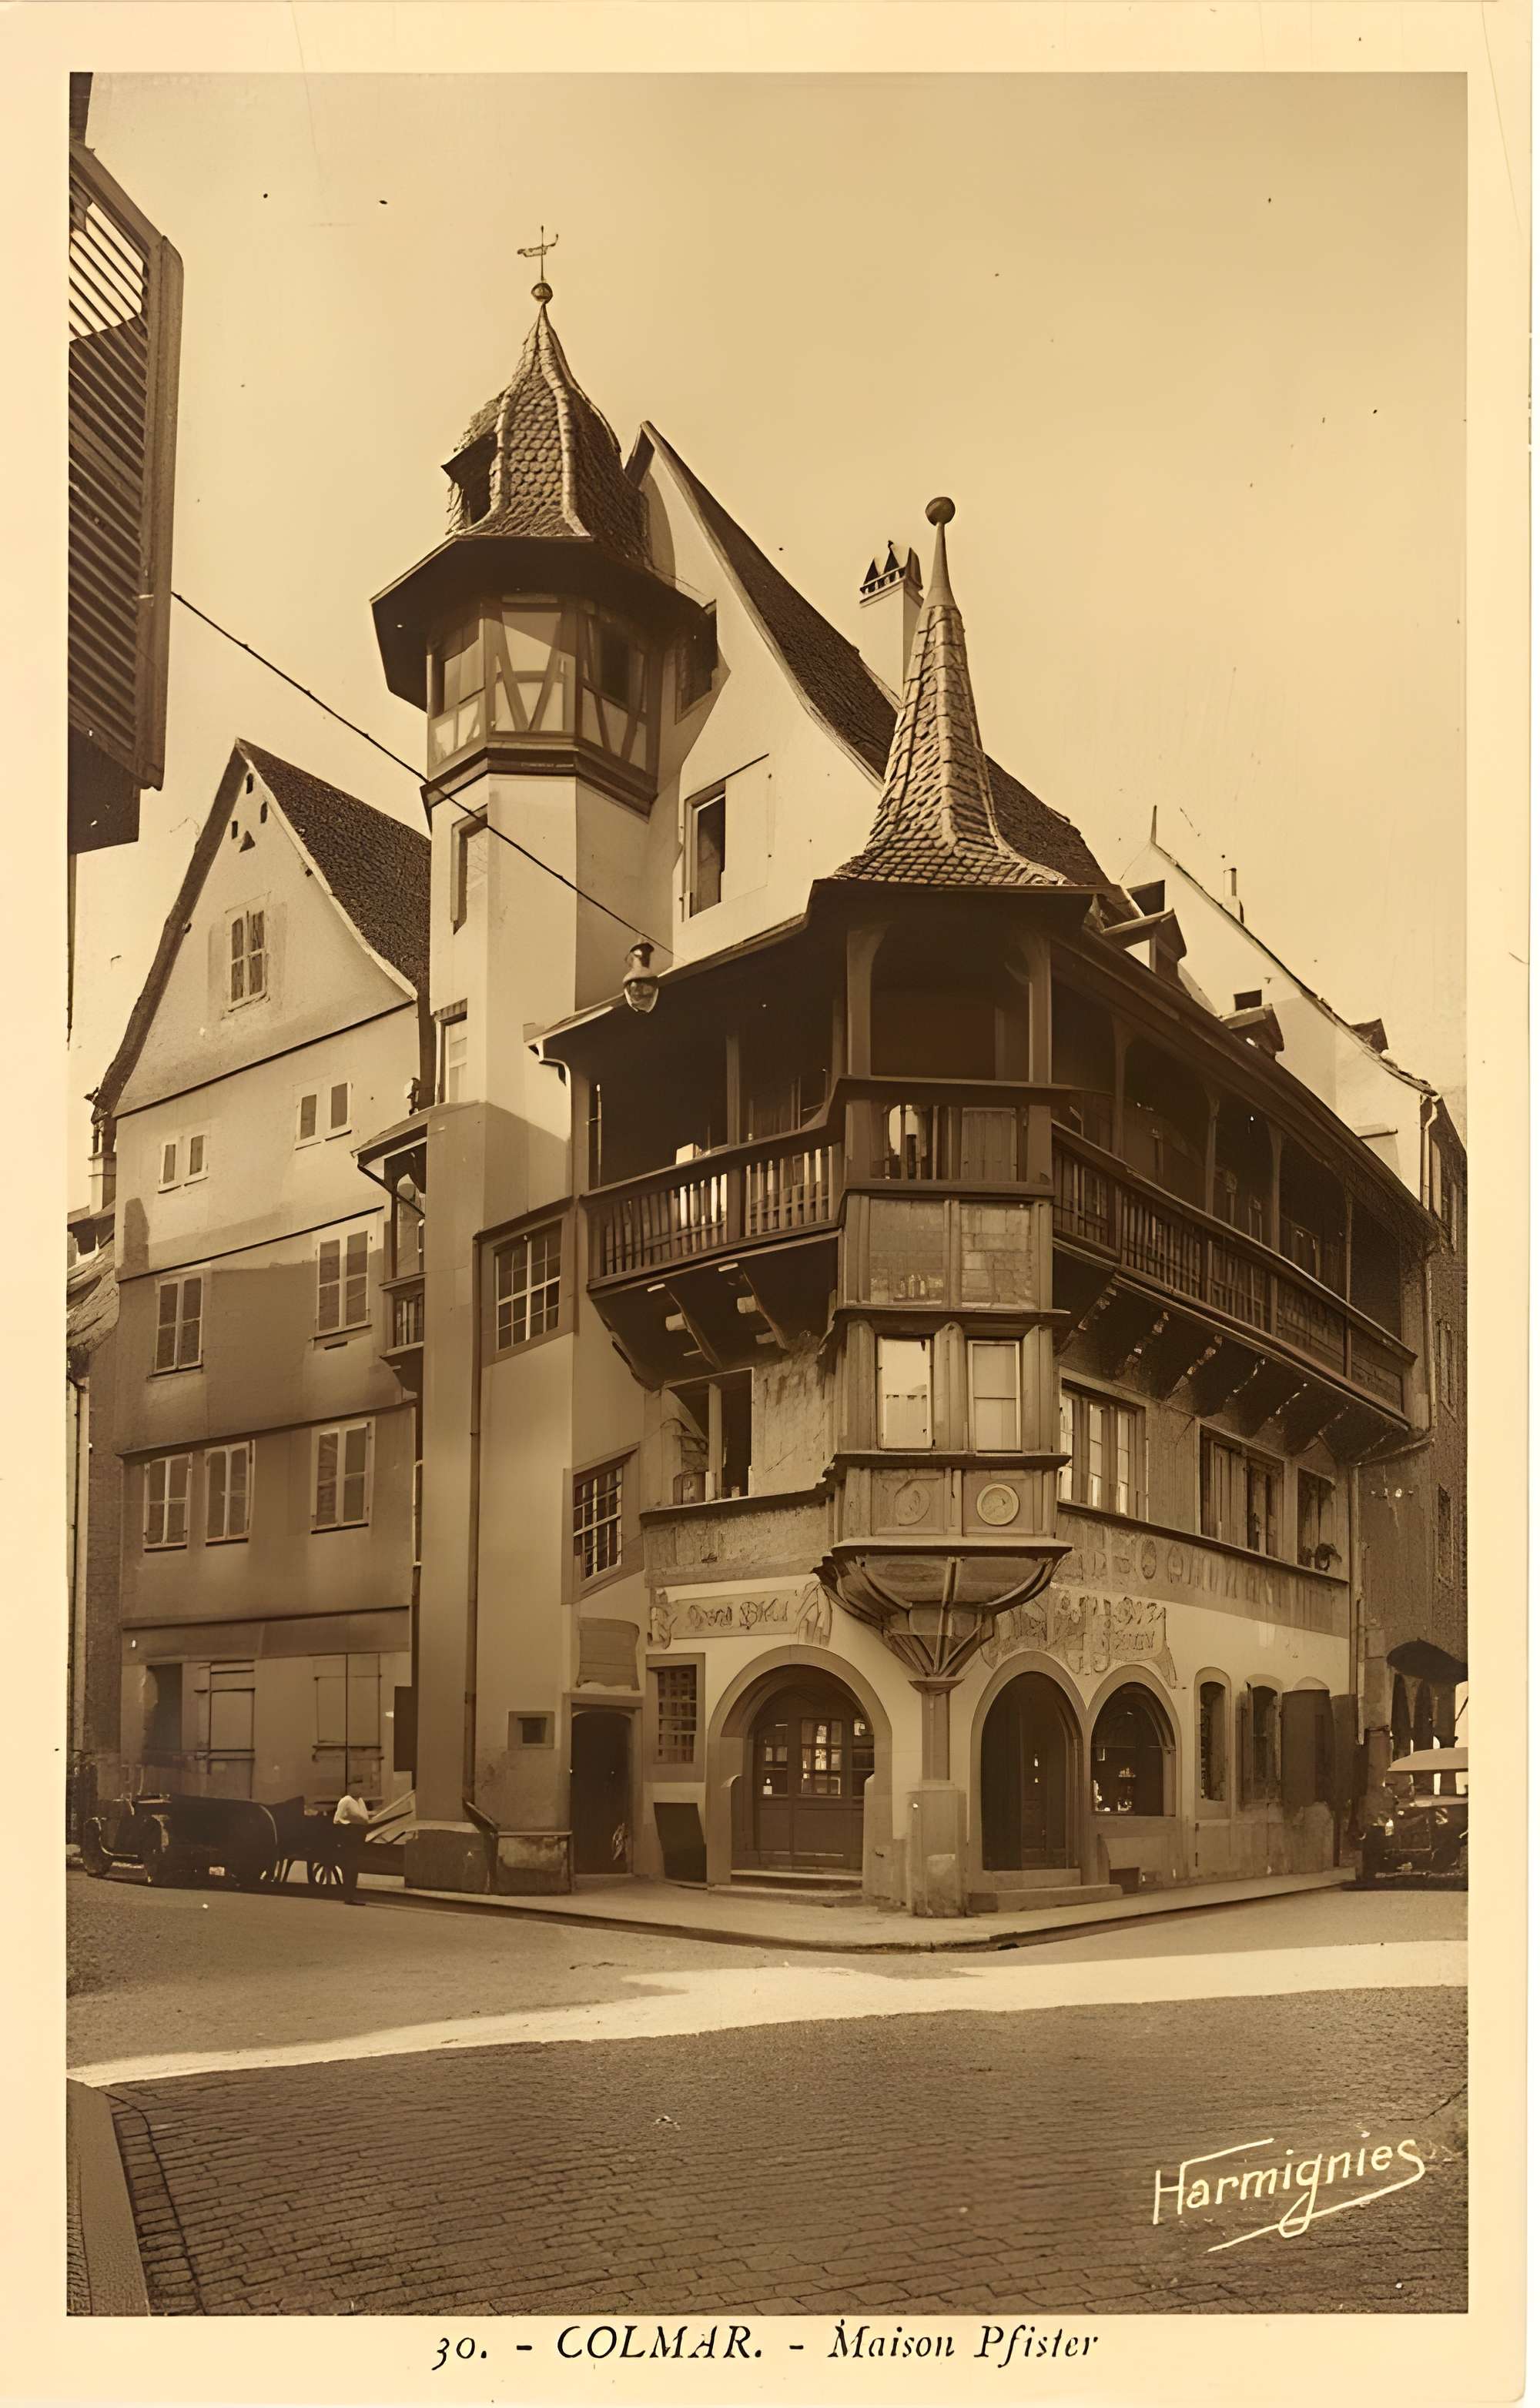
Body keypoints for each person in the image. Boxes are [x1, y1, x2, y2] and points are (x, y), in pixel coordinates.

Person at [333, 1786, 372, 1903]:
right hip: (349, 1835)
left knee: (355, 1865)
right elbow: (337, 1819)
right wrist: (348, 1828)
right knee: (349, 1865)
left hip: (359, 1834)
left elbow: (364, 1817)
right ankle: (347, 1895)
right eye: (356, 1789)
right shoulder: (346, 1801)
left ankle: (352, 1894)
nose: (360, 1791)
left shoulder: (360, 1801)